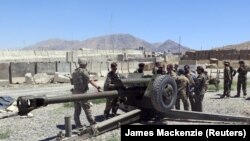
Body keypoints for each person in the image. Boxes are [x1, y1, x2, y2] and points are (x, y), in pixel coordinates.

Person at [71, 58, 101, 128]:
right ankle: (92, 122)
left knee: (77, 110)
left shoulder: (75, 72)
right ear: (85, 64)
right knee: (87, 109)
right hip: (82, 94)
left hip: (75, 93)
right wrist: (98, 87)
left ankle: (78, 124)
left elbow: (72, 82)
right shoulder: (84, 71)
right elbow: (90, 80)